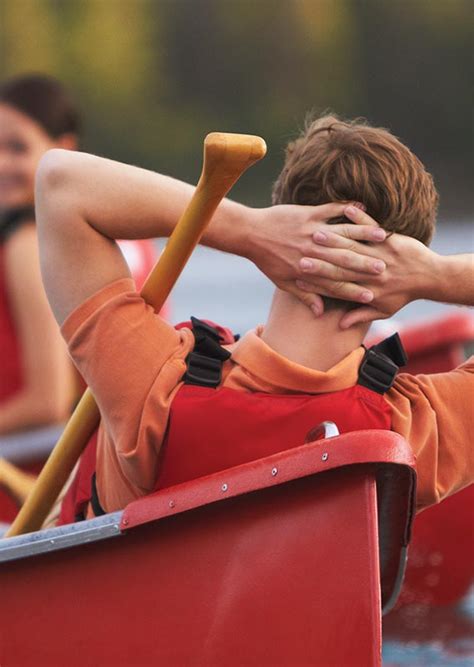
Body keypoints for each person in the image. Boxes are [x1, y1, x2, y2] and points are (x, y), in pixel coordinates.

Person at [34, 115, 473, 523]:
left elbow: (59, 182)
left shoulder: (152, 384)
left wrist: (248, 230)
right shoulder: (413, 430)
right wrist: (435, 275)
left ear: (285, 221)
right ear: (410, 252)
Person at [0, 73, 160, 436]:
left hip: (34, 473)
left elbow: (48, 400)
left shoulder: (27, 243)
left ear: (63, 150)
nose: (2, 164)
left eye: (17, 148)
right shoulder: (130, 238)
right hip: (111, 459)